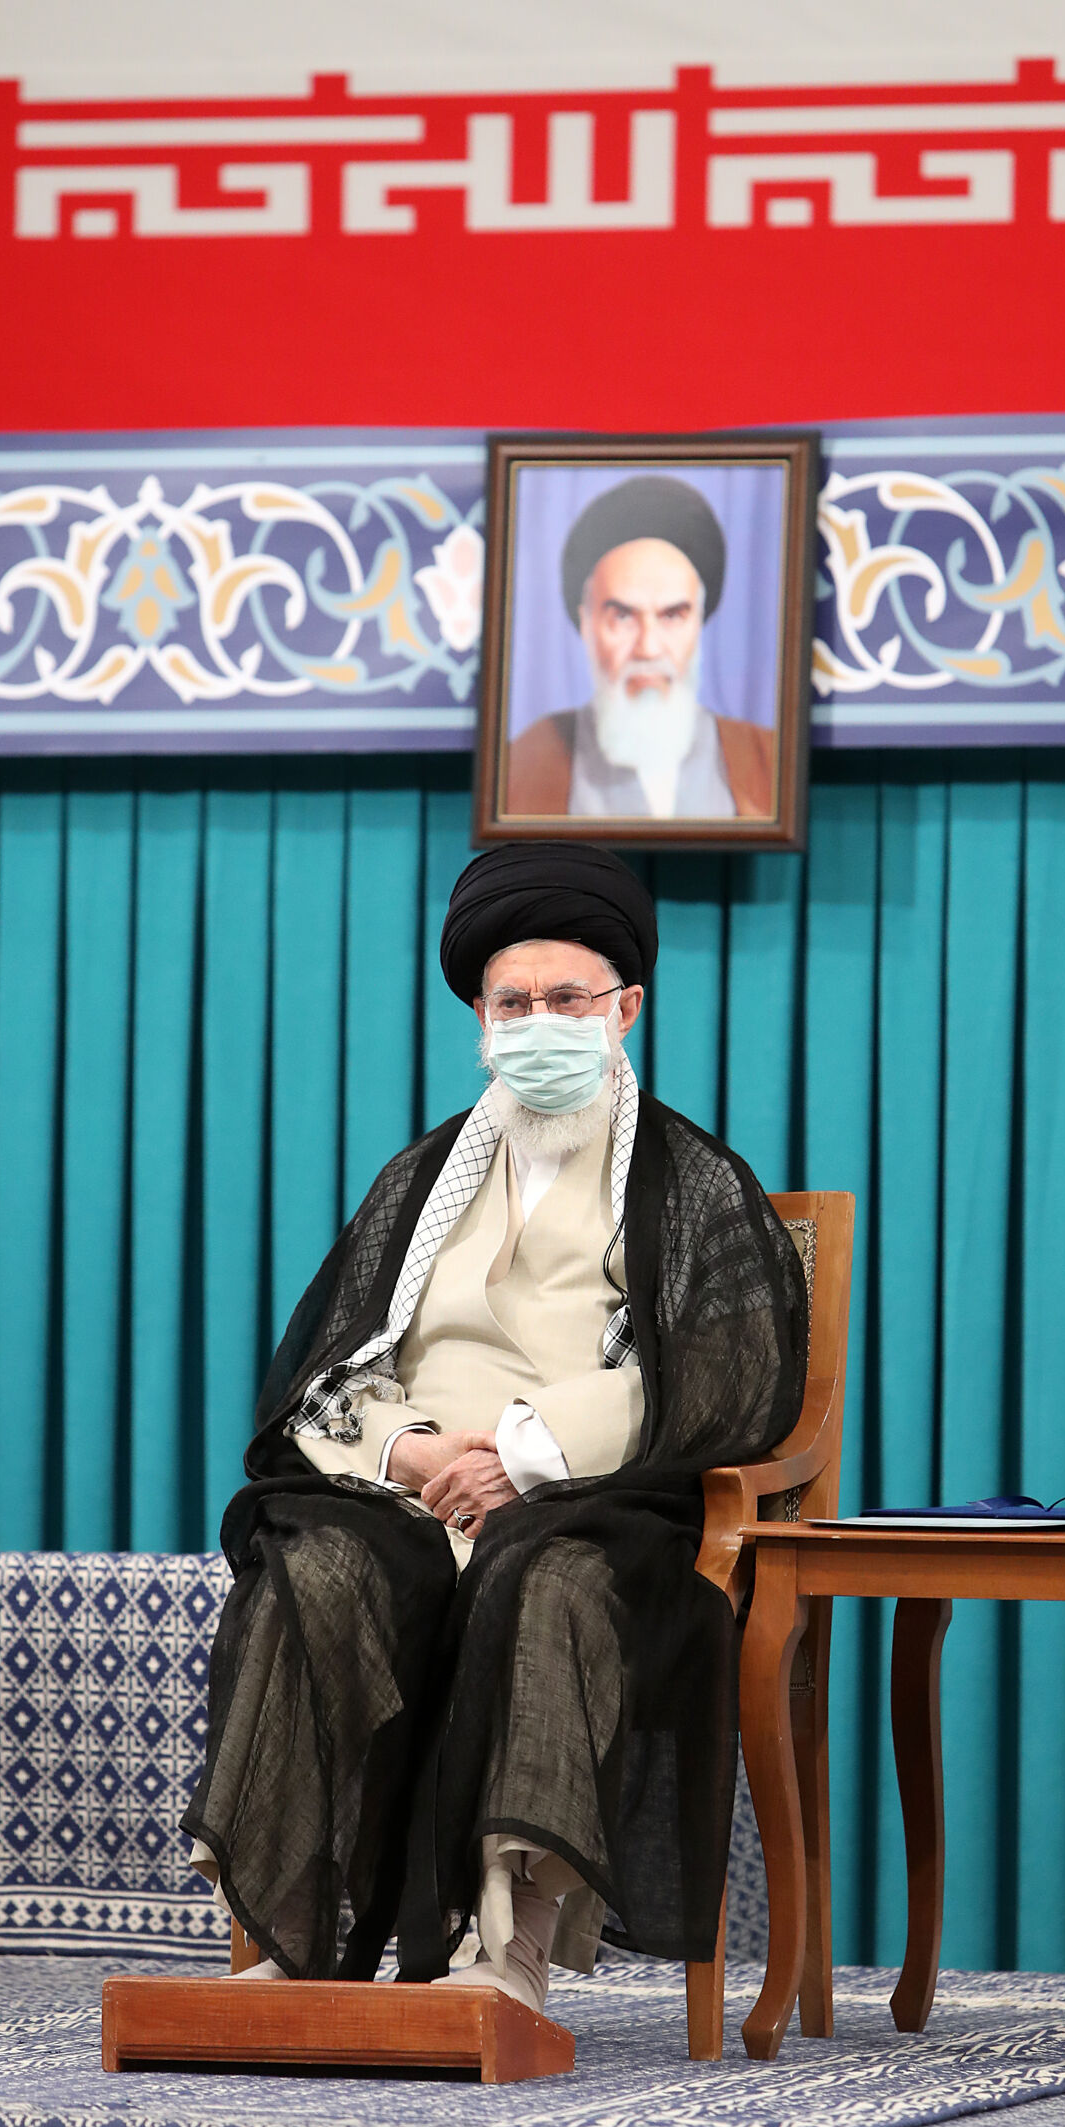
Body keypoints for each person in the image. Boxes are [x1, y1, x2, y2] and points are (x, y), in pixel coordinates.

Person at [182, 842, 807, 2013]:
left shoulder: (692, 1182)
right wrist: (413, 1451)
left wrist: (524, 1456)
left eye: (568, 998)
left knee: (548, 1580)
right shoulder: (422, 1178)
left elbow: (719, 1380)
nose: (539, 1023)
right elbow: (333, 1368)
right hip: (413, 1495)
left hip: (593, 1500)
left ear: (626, 1007)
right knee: (311, 1568)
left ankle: (508, 1944)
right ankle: (296, 1937)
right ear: (480, 1019)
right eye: (512, 1003)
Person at [504, 475, 777, 822]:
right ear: (586, 622)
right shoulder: (525, 764)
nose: (648, 648)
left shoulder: (766, 759)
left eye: (672, 616)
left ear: (699, 621)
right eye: (622, 617)